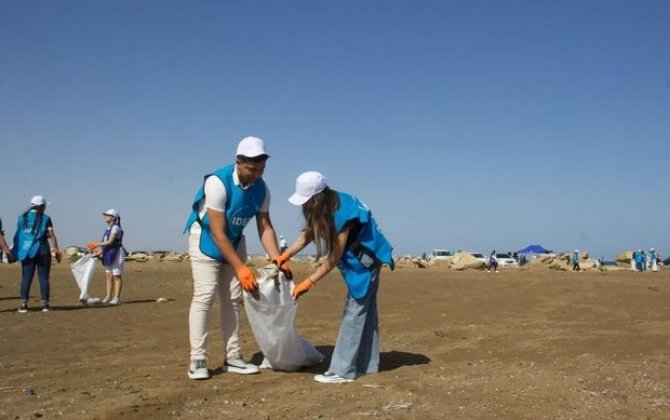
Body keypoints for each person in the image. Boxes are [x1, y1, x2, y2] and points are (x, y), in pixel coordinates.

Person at [183, 136, 287, 380]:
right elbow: (218, 233)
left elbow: (265, 227)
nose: (257, 174)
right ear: (238, 162)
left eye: (262, 169)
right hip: (206, 239)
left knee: (232, 298)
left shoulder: (262, 189)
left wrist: (277, 259)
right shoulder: (218, 183)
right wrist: (241, 268)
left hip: (235, 240)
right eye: (252, 168)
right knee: (205, 296)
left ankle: (233, 356)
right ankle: (197, 359)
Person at [278, 171, 394, 384]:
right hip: (367, 259)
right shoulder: (331, 203)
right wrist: (285, 255)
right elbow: (308, 234)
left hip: (366, 261)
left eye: (307, 201)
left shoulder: (342, 212)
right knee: (364, 312)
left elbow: (334, 257)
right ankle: (366, 365)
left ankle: (342, 371)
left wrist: (308, 282)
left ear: (318, 197)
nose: (305, 206)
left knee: (355, 312)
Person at [12, 195, 62, 312]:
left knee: (26, 277)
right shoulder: (46, 218)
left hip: (27, 249)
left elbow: (19, 235)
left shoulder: (22, 218)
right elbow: (51, 235)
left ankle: (24, 304)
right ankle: (45, 304)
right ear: (42, 206)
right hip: (43, 248)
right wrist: (56, 249)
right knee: (44, 278)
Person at [88, 209, 127, 305]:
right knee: (108, 275)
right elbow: (106, 244)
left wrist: (97, 244)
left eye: (108, 215)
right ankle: (108, 296)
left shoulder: (115, 228)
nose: (105, 217)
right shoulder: (108, 228)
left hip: (117, 253)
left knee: (116, 275)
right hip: (108, 253)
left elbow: (110, 241)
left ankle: (116, 298)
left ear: (113, 218)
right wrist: (99, 251)